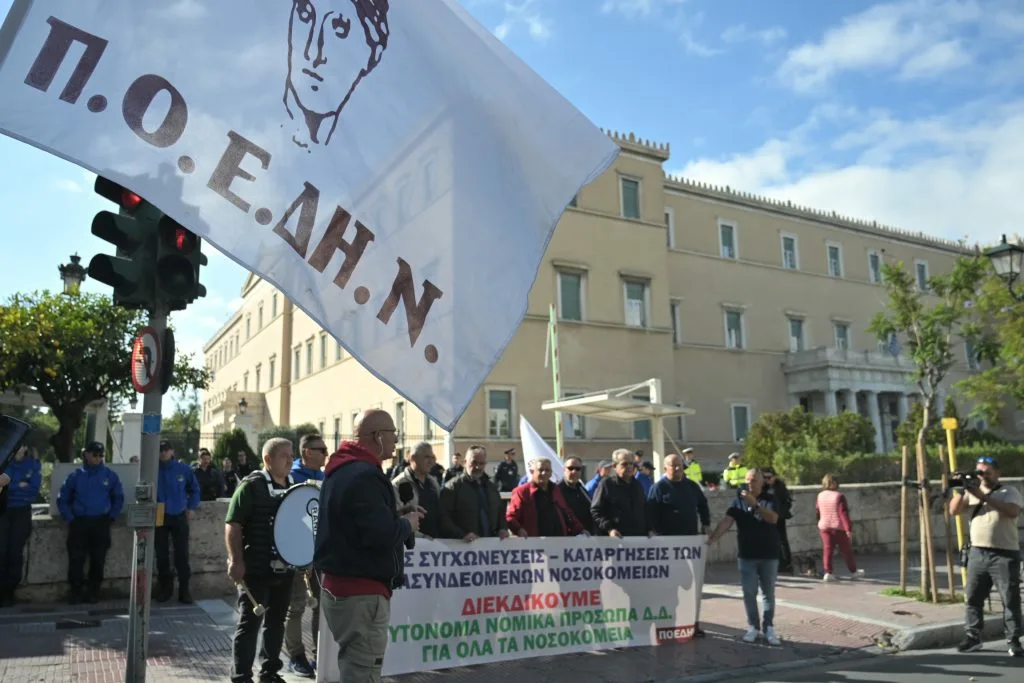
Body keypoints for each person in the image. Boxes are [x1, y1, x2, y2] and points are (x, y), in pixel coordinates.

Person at [314, 409, 424, 683]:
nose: (397, 440)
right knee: (363, 671)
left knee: (355, 666)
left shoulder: (342, 469)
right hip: (362, 593)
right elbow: (380, 537)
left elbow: (355, 524)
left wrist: (395, 516)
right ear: (377, 437)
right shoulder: (365, 475)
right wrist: (407, 524)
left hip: (343, 588)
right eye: (393, 433)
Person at [225, 437, 297, 683]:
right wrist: (236, 561)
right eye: (284, 455)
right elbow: (233, 525)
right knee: (250, 623)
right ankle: (241, 676)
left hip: (285, 568)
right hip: (255, 568)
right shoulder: (250, 486)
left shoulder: (294, 486)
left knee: (276, 623)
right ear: (268, 459)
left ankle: (269, 672)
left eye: (292, 455)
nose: (290, 460)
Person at [949, 455, 1022, 657]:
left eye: (987, 472)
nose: (983, 476)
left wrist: (983, 497)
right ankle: (973, 636)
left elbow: (1013, 512)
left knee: (1010, 598)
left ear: (998, 473)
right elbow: (953, 511)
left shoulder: (1009, 492)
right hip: (978, 552)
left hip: (1005, 554)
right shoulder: (971, 492)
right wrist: (961, 489)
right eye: (980, 472)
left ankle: (1014, 640)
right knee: (973, 597)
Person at [706, 469, 782, 646]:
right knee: (749, 592)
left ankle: (769, 627)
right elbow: (727, 521)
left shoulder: (770, 499)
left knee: (768, 593)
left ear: (761, 482)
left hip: (769, 553)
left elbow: (772, 519)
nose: (750, 483)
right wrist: (712, 538)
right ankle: (753, 626)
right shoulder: (738, 501)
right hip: (747, 554)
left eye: (754, 480)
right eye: (747, 480)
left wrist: (755, 504)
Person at [647, 452, 710, 637]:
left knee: (691, 587)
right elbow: (650, 513)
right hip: (667, 547)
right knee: (669, 589)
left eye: (679, 466)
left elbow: (703, 505)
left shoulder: (692, 486)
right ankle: (669, 625)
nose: (677, 469)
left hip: (690, 546)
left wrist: (706, 523)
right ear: (665, 468)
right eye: (673, 466)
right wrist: (653, 533)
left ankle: (692, 624)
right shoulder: (658, 488)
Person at [57, 442, 125, 604]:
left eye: (101, 455)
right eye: (94, 454)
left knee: (98, 559)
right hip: (79, 523)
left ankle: (94, 591)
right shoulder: (75, 476)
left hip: (101, 523)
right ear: (86, 454)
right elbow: (62, 499)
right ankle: (76, 591)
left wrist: (111, 517)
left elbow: (118, 498)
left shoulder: (110, 475)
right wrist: (71, 519)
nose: (97, 458)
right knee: (76, 559)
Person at [285, 433, 328, 678]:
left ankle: (319, 655)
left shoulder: (325, 477)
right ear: (307, 452)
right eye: (321, 450)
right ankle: (296, 656)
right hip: (296, 553)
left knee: (321, 606)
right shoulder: (291, 477)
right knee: (296, 606)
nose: (326, 454)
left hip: (320, 553)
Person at [155, 441, 201, 604]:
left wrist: (191, 507)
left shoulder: (183, 469)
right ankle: (165, 589)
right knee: (161, 554)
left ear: (172, 451)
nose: (163, 453)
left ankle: (184, 590)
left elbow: (195, 490)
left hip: (179, 513)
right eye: (160, 450)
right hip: (159, 514)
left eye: (166, 450)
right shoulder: (152, 469)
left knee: (182, 554)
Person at [439, 446, 509, 541]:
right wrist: (461, 535)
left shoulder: (492, 487)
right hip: (464, 545)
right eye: (474, 462)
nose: (478, 467)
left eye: (481, 463)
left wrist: (503, 528)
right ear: (465, 462)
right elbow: (443, 517)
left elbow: (500, 512)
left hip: (491, 545)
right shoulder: (453, 487)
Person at [0, 446, 41, 606]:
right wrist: (19, 485)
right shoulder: (4, 462)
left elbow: (33, 491)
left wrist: (10, 486)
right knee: (1, 552)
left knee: (15, 553)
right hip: (3, 510)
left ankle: (9, 592)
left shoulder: (32, 464)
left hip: (21, 512)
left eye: (23, 446)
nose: (20, 448)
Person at [505, 457, 584, 538]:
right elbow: (510, 517)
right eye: (540, 470)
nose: (544, 473)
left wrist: (580, 530)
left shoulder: (556, 490)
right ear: (532, 471)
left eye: (547, 470)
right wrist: (518, 529)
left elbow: (567, 513)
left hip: (559, 541)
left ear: (551, 473)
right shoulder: (521, 492)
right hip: (534, 542)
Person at [815, 473, 863, 582]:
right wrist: (848, 529)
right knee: (846, 551)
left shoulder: (820, 495)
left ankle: (828, 572)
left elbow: (817, 511)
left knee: (827, 550)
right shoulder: (839, 496)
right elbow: (843, 513)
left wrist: (819, 521)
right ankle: (854, 571)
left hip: (824, 527)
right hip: (838, 528)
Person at [591, 449, 648, 538]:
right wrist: (610, 529)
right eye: (624, 464)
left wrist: (650, 529)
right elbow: (596, 511)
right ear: (615, 466)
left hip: (639, 539)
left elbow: (645, 509)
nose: (629, 467)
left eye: (631, 464)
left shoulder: (637, 485)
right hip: (616, 540)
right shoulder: (606, 484)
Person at [392, 442, 442, 539]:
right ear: (413, 458)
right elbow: (396, 518)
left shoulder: (433, 483)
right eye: (426, 457)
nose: (431, 462)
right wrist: (422, 537)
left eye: (432, 458)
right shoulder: (398, 484)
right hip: (413, 543)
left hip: (435, 542)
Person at [763, 468, 794, 574]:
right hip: (767, 517)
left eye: (769, 477)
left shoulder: (780, 487)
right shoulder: (763, 488)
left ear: (774, 477)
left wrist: (780, 512)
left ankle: (786, 564)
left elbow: (786, 501)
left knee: (782, 541)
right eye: (764, 477)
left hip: (779, 517)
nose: (767, 480)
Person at [557, 456, 594, 535]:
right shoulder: (557, 491)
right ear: (564, 470)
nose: (574, 472)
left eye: (578, 469)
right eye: (570, 468)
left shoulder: (582, 489)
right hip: (566, 537)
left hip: (586, 536)